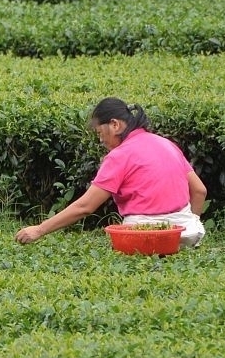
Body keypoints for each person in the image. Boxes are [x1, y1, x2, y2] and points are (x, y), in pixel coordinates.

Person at [15, 97, 207, 248]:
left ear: (115, 125)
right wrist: (188, 224)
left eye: (100, 133)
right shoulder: (167, 144)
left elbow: (85, 207)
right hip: (187, 233)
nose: (100, 140)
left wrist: (39, 230)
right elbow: (199, 191)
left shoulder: (120, 155)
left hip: (143, 236)